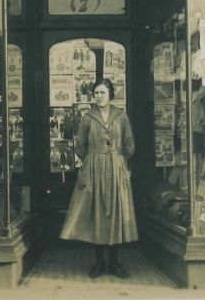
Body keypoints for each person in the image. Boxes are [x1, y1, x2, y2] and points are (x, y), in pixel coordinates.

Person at [60, 78, 138, 279]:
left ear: (110, 94)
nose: (99, 96)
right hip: (94, 169)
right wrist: (94, 159)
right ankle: (99, 263)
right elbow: (80, 146)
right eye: (96, 93)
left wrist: (117, 160)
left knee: (116, 214)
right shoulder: (88, 118)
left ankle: (114, 263)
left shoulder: (121, 116)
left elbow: (129, 145)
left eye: (103, 92)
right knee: (96, 213)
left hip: (116, 168)